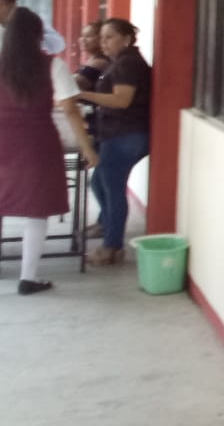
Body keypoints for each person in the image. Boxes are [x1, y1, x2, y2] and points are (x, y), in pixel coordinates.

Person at [0, 8, 98, 295]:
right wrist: (87, 148)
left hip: (1, 139)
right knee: (38, 208)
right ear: (38, 35)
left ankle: (26, 276)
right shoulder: (53, 65)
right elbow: (70, 109)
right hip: (39, 141)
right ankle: (28, 278)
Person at [78, 18, 151, 266]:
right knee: (100, 183)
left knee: (112, 189)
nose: (103, 42)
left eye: (109, 37)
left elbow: (121, 100)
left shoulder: (128, 64)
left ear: (127, 39)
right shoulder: (120, 62)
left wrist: (81, 94)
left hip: (125, 134)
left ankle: (112, 247)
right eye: (102, 38)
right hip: (117, 133)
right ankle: (107, 227)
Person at [73, 20, 112, 91]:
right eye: (82, 36)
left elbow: (73, 84)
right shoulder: (93, 59)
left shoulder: (101, 62)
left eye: (88, 36)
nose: (82, 40)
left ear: (101, 39)